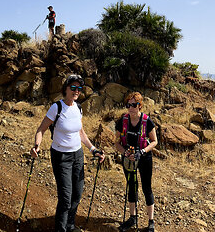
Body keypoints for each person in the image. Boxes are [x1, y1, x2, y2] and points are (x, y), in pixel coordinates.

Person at [31, 74, 105, 232]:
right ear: (65, 89)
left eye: (79, 88)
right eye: (73, 87)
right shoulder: (56, 107)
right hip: (61, 157)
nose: (76, 91)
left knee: (77, 194)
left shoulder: (78, 108)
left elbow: (81, 133)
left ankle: (70, 225)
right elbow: (41, 129)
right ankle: (61, 228)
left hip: (77, 155)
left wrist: (93, 150)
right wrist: (36, 146)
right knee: (65, 198)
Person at [114, 92, 158, 232]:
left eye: (134, 105)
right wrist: (125, 152)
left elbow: (154, 141)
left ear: (140, 106)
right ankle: (133, 217)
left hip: (144, 158)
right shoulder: (122, 121)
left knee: (146, 187)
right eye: (128, 105)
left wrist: (142, 152)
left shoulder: (146, 121)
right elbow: (117, 142)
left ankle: (151, 221)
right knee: (131, 186)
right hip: (129, 158)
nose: (131, 107)